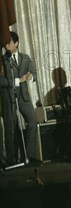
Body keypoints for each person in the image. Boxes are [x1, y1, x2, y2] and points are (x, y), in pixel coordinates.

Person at [1, 31, 40, 166]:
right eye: (5, 43)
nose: (6, 45)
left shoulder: (25, 57)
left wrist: (31, 77)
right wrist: (18, 80)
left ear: (16, 43)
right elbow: (1, 80)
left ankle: (30, 157)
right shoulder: (2, 60)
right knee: (10, 127)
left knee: (33, 123)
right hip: (9, 98)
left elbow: (34, 73)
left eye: (9, 42)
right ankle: (11, 160)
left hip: (24, 97)